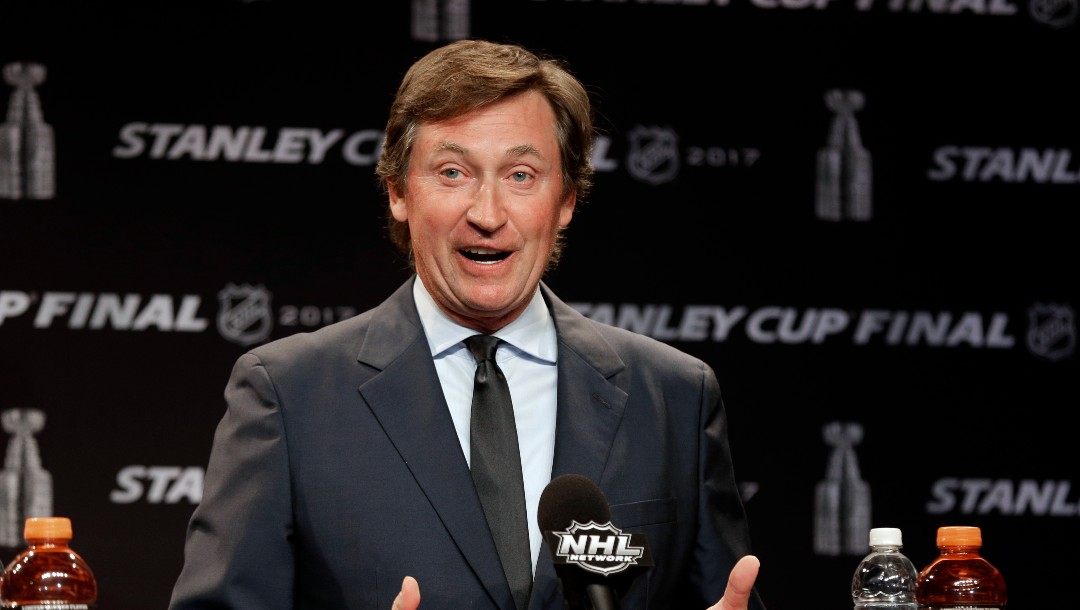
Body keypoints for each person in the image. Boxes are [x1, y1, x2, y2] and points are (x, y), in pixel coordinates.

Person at [169, 39, 765, 610]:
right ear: (399, 190)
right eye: (452, 172)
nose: (487, 214)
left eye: (521, 175)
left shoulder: (674, 398)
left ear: (566, 200)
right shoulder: (288, 395)